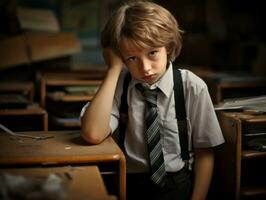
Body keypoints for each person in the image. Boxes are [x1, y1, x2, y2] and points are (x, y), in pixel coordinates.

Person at [80, 1, 224, 200]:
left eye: (152, 53)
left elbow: (205, 152)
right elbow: (93, 133)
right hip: (129, 182)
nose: (145, 67)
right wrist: (113, 70)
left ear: (168, 46)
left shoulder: (192, 86)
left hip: (177, 183)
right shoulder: (119, 85)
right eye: (131, 58)